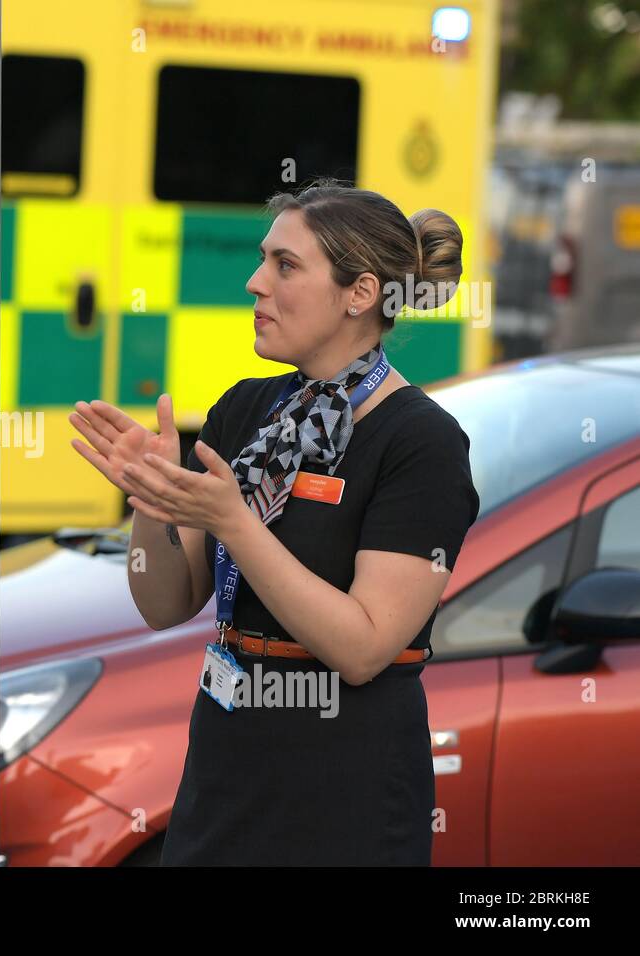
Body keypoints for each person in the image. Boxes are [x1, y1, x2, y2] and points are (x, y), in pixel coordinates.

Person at [69, 179, 480, 865]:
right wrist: (152, 500)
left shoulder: (422, 442)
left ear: (360, 293)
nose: (256, 282)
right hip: (226, 766)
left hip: (344, 784)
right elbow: (166, 603)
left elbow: (363, 647)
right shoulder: (247, 407)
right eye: (264, 260)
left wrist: (235, 523)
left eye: (285, 265)